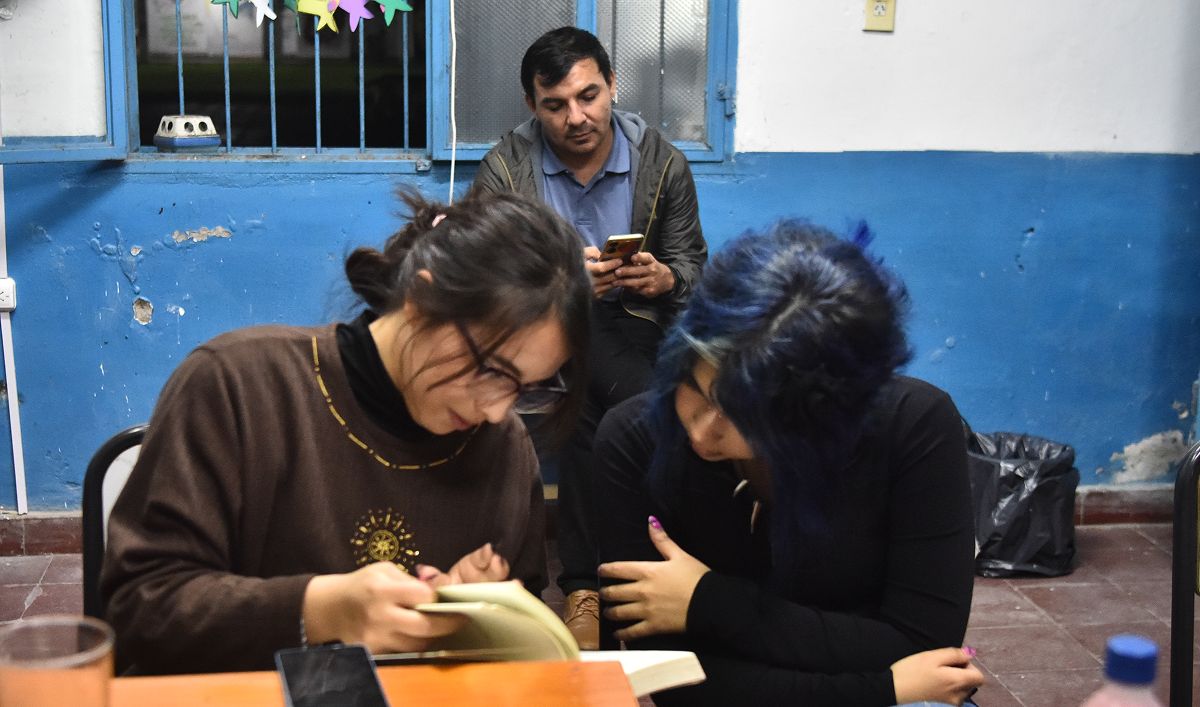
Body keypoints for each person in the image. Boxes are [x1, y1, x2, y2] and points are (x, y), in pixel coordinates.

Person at [100, 190, 592, 674]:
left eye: (529, 389)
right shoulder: (238, 385)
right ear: (422, 299)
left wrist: (466, 618)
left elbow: (516, 662)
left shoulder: (503, 447)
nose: (497, 411)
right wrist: (319, 611)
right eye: (492, 370)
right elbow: (140, 613)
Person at [593, 220, 985, 705]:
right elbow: (670, 680)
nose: (702, 430)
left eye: (749, 419)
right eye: (694, 388)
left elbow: (922, 642)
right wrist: (882, 683)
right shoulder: (633, 439)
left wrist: (707, 602)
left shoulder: (914, 426)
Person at [471, 25, 707, 648]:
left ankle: (583, 590)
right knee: (625, 400)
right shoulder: (505, 167)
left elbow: (692, 267)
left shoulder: (660, 161)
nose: (577, 117)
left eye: (589, 96)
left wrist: (662, 278)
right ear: (532, 106)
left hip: (632, 327)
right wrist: (559, 281)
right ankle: (636, 578)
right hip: (540, 330)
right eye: (556, 105)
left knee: (587, 412)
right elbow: (482, 277)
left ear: (612, 86)